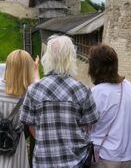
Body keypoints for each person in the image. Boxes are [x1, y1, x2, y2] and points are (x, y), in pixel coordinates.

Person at [21, 35, 99, 168]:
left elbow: (31, 126)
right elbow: (88, 127)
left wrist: (47, 141)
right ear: (71, 58)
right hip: (76, 162)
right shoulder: (83, 90)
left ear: (48, 57)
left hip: (43, 161)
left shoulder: (34, 89)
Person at [88, 44, 131, 168]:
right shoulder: (127, 85)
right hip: (127, 156)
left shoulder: (96, 92)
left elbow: (86, 124)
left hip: (104, 156)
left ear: (94, 68)